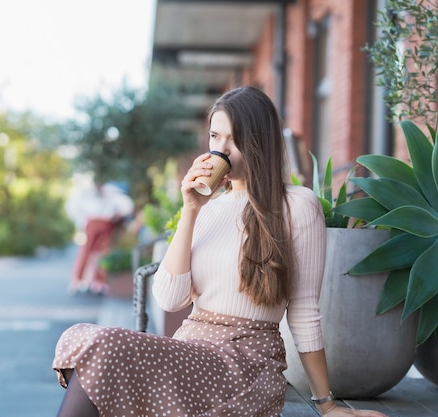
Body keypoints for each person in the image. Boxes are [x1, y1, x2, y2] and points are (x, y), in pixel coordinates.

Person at [52, 86, 389, 417]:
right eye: (215, 137)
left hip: (245, 366)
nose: (221, 149)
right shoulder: (207, 210)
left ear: (260, 142)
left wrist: (327, 406)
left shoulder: (297, 205)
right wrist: (191, 210)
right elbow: (170, 299)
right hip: (191, 353)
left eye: (234, 138)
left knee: (104, 346)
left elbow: (303, 311)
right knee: (84, 340)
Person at [68, 181, 134, 295]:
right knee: (88, 251)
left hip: (105, 223)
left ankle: (98, 281)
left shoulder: (111, 191)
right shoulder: (88, 192)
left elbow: (127, 206)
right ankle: (79, 280)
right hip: (96, 222)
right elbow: (74, 207)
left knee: (102, 253)